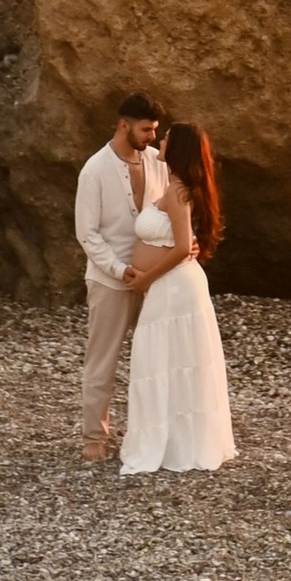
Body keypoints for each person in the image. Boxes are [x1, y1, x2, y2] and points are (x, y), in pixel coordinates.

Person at [118, 121, 237, 475]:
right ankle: (173, 438)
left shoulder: (179, 191)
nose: (160, 140)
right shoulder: (173, 184)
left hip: (173, 288)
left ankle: (177, 443)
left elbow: (185, 247)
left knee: (169, 361)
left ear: (178, 147)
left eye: (167, 137)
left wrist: (147, 279)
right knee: (167, 360)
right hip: (169, 286)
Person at [73, 93, 163, 465]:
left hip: (155, 279)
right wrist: (117, 269)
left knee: (156, 359)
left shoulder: (159, 163)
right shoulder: (94, 170)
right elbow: (87, 233)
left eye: (155, 130)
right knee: (103, 362)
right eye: (146, 130)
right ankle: (95, 437)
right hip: (110, 282)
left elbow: (174, 209)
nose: (152, 138)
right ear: (124, 125)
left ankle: (153, 433)